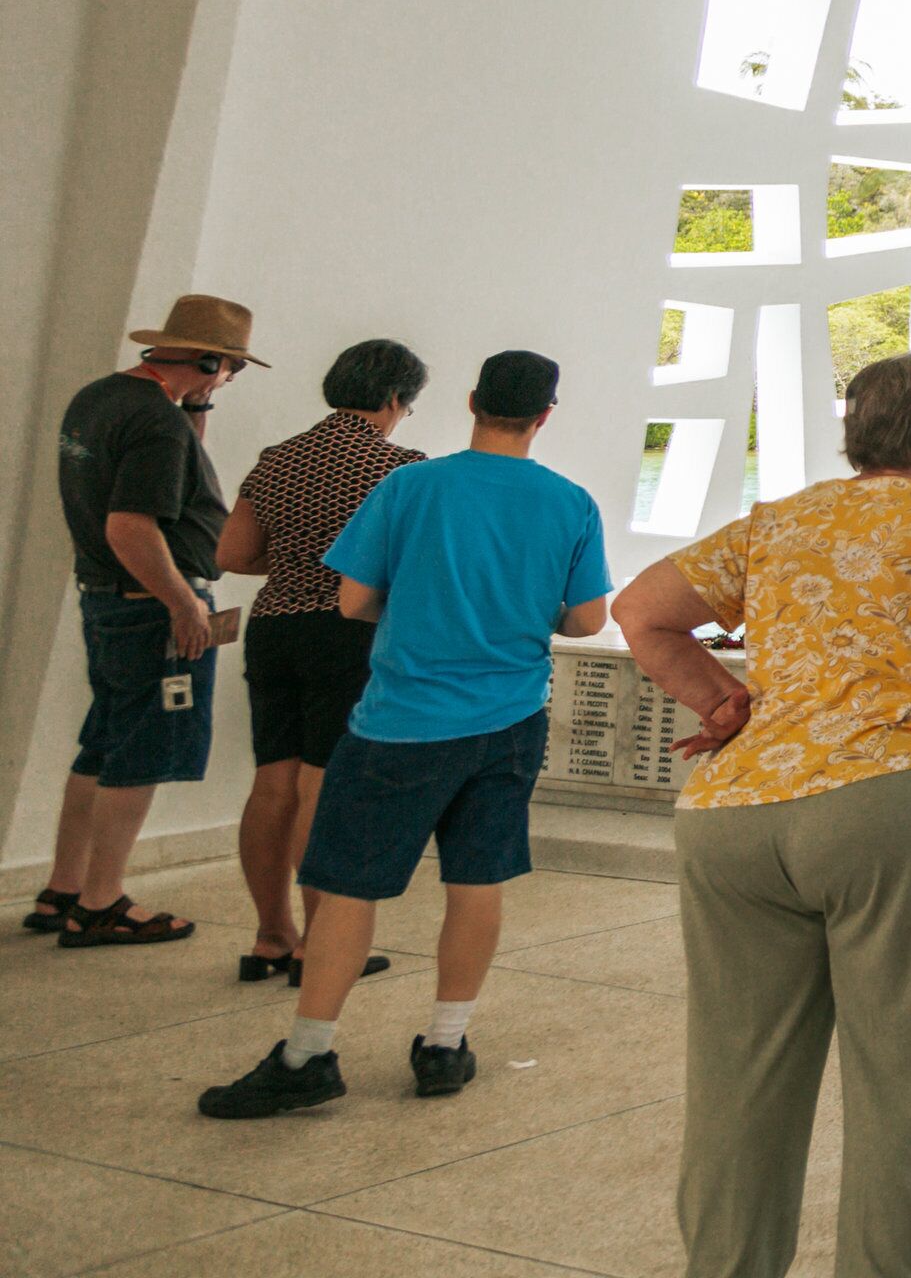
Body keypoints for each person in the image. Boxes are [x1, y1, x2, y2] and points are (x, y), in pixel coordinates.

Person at [609, 351, 911, 1278]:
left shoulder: (781, 520)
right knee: (904, 1081)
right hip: (898, 807)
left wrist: (719, 702)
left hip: (736, 817)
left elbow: (642, 609)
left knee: (739, 1081)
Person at [198, 350, 610, 1118]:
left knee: (350, 886)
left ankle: (308, 1054)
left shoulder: (411, 485)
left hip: (402, 720)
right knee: (475, 882)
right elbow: (588, 620)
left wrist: (425, 612)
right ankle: (447, 1046)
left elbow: (354, 600)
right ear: (546, 416)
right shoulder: (570, 502)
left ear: (471, 400)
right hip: (511, 721)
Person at [35, 294, 262, 949]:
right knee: (143, 750)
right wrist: (184, 606)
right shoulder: (155, 424)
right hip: (151, 607)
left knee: (103, 740)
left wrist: (196, 408)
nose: (228, 380)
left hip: (106, 596)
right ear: (211, 358)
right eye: (231, 368)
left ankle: (66, 887)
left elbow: (177, 481)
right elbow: (131, 526)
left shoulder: (101, 399)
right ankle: (103, 903)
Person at [217, 338, 430, 983]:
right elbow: (413, 569)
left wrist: (293, 566)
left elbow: (232, 552)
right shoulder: (401, 469)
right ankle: (320, 942)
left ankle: (270, 936)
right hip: (349, 634)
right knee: (322, 783)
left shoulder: (279, 459)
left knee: (272, 781)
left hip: (276, 628)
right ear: (395, 399)